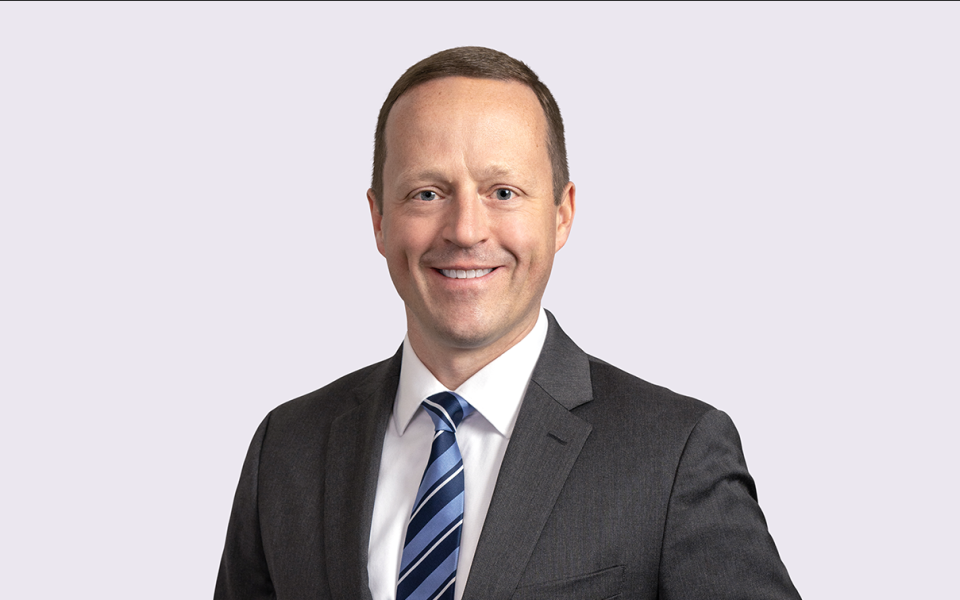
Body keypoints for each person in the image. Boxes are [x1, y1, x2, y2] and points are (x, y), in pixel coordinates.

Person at [215, 46, 801, 600]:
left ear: (562, 214)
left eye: (502, 191)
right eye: (427, 193)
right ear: (379, 219)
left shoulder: (674, 454)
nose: (466, 230)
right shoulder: (286, 448)